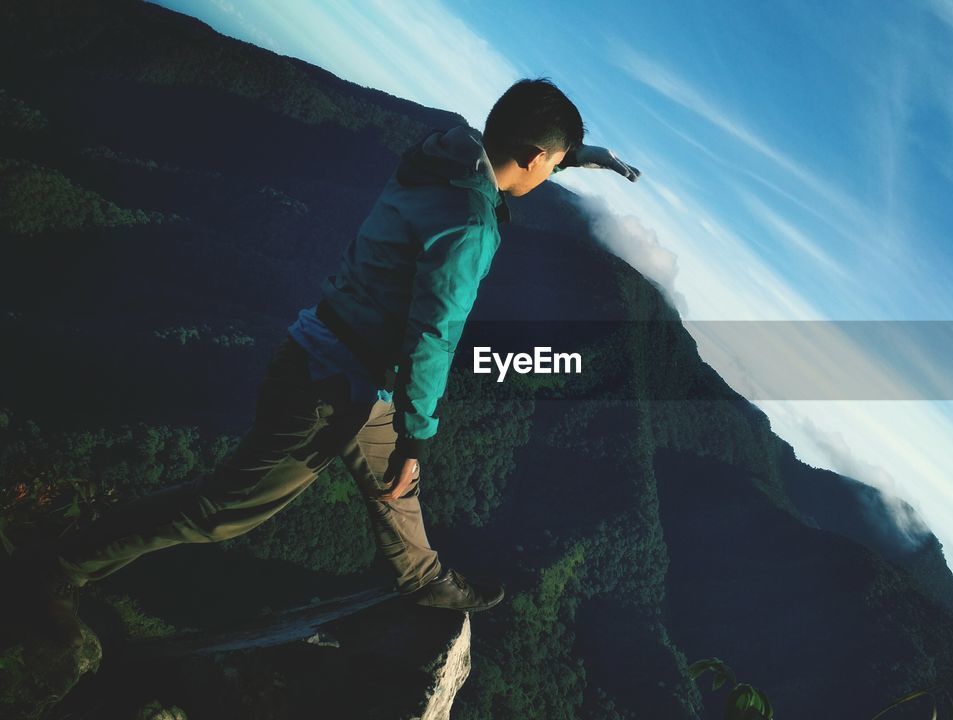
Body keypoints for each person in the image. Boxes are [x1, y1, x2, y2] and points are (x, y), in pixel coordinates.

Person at [7, 77, 641, 651]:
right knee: (222, 513)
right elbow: (433, 335)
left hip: (346, 360)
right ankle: (57, 569)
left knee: (396, 482)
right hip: (330, 384)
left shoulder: (445, 152)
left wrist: (590, 158)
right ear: (535, 157)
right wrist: (421, 431)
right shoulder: (469, 223)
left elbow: (523, 148)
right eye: (555, 163)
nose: (553, 173)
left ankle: (421, 579)